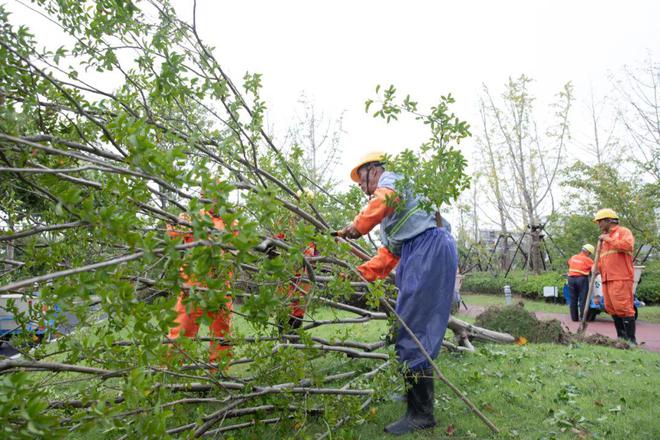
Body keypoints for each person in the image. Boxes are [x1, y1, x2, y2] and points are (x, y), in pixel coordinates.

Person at [336, 151, 457, 435]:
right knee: (404, 324)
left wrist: (356, 226)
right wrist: (357, 274)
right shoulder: (391, 219)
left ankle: (421, 414)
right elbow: (389, 255)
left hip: (430, 249)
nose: (360, 186)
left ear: (374, 170)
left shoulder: (393, 180)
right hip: (416, 253)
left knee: (414, 327)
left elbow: (383, 200)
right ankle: (412, 393)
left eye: (360, 179)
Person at [166, 207, 233, 365]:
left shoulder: (231, 221)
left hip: (220, 288)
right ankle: (172, 373)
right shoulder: (193, 215)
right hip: (192, 288)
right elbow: (172, 233)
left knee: (222, 335)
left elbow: (241, 248)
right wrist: (175, 222)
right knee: (181, 330)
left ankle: (219, 375)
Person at [593, 208, 636, 344]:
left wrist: (608, 239)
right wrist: (596, 268)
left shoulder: (623, 232)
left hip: (621, 277)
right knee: (612, 308)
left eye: (600, 221)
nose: (598, 225)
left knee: (624, 308)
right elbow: (602, 259)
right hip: (606, 279)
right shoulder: (603, 240)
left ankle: (631, 341)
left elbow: (628, 245)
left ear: (608, 220)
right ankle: (621, 339)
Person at [566, 244, 595, 321]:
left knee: (573, 299)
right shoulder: (588, 260)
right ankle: (583, 317)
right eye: (590, 254)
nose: (590, 255)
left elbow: (568, 263)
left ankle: (574, 318)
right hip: (581, 279)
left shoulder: (573, 257)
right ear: (588, 252)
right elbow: (595, 269)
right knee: (583, 299)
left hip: (571, 279)